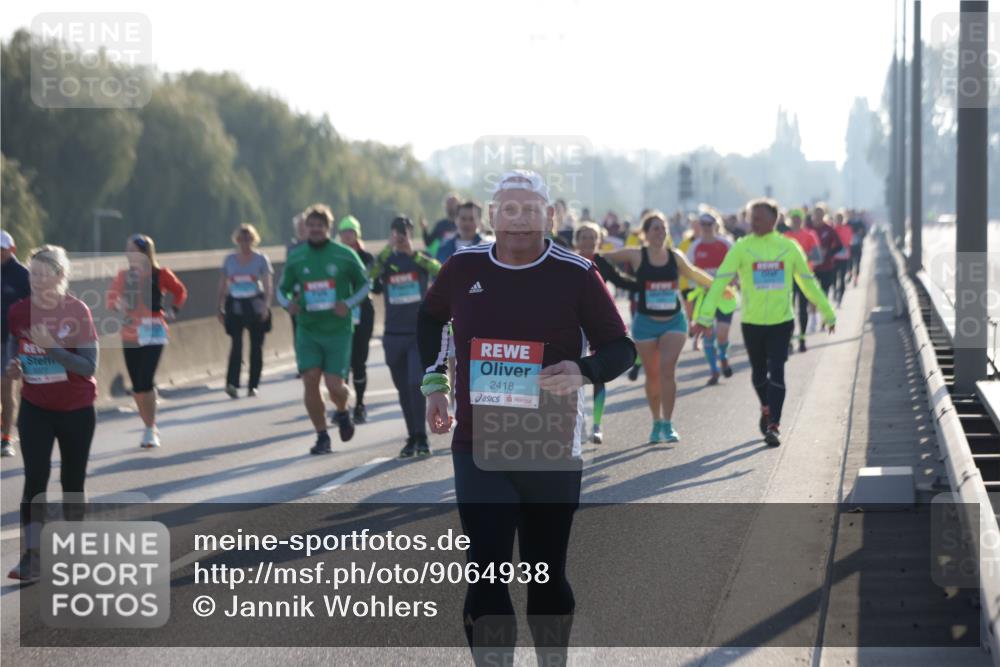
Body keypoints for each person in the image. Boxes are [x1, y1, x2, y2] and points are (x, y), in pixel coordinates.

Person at [418, 170, 635, 665]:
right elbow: (431, 318)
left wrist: (582, 370)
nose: (519, 220)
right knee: (486, 574)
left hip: (549, 445)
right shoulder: (462, 266)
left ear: (549, 216)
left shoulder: (576, 273)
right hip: (479, 445)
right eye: (509, 210)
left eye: (530, 210)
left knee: (546, 575)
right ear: (492, 216)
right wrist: (435, 384)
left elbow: (621, 349)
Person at [692, 198, 836, 447]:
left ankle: (774, 426)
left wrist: (827, 312)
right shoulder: (742, 248)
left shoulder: (788, 247)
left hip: (782, 322)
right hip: (752, 323)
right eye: (752, 218)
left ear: (774, 219)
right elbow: (719, 282)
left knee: (777, 370)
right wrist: (704, 317)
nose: (754, 222)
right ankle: (766, 407)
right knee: (759, 375)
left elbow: (807, 282)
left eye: (758, 218)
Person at [6, 246, 99, 581]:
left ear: (60, 276)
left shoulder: (77, 311)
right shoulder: (19, 311)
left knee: (72, 483)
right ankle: (32, 558)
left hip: (76, 409)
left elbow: (88, 366)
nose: (36, 280)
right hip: (35, 408)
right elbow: (13, 346)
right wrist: (13, 366)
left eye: (44, 274)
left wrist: (52, 349)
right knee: (35, 479)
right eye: (33, 273)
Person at [598, 210, 722, 444]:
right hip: (645, 323)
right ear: (645, 233)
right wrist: (602, 267)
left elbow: (693, 273)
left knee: (667, 370)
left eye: (663, 228)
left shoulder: (675, 256)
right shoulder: (636, 254)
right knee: (653, 375)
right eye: (656, 228)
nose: (661, 232)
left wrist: (718, 286)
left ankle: (668, 422)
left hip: (674, 321)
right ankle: (656, 422)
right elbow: (604, 257)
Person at [280, 204, 369, 455]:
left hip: (337, 331)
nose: (315, 229)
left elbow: (365, 284)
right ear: (305, 228)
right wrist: (289, 304)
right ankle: (322, 436)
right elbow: (282, 289)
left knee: (334, 386)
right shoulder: (297, 257)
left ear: (328, 228)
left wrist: (348, 303)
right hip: (308, 329)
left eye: (320, 225)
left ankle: (342, 410)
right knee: (310, 380)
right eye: (311, 225)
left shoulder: (344, 254)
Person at [107, 234, 188, 447]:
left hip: (154, 331)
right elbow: (110, 299)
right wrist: (118, 304)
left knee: (146, 380)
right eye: (127, 250)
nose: (128, 254)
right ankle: (148, 425)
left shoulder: (160, 274)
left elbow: (180, 292)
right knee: (137, 387)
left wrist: (174, 309)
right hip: (130, 334)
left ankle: (150, 429)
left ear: (144, 253)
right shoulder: (123, 276)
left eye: (132, 250)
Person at [371, 216, 441, 458]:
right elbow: (368, 276)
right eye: (396, 231)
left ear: (411, 233)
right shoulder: (386, 260)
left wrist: (413, 254)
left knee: (415, 384)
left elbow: (439, 271)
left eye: (405, 231)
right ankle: (412, 436)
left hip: (417, 333)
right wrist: (387, 250)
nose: (401, 236)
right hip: (393, 334)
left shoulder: (420, 258)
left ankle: (422, 436)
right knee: (402, 389)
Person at [575, 221, 641, 444]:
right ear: (577, 240)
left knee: (597, 374)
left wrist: (645, 284)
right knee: (574, 372)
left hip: (598, 324)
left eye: (592, 237)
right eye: (584, 237)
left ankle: (596, 424)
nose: (588, 241)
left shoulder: (601, 262)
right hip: (574, 325)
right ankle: (578, 421)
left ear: (599, 241)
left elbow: (621, 280)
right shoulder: (569, 262)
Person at [217, 224, 273, 399]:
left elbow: (268, 284)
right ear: (237, 240)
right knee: (236, 345)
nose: (245, 242)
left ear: (254, 240)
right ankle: (232, 384)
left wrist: (266, 306)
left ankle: (253, 385)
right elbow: (223, 283)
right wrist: (220, 305)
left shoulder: (261, 259)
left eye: (248, 238)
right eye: (241, 239)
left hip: (255, 304)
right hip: (235, 304)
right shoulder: (229, 260)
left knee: (256, 346)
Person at [686, 209, 735, 384]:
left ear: (716, 225)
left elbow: (736, 265)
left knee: (722, 334)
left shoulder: (726, 244)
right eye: (703, 224)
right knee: (708, 334)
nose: (706, 227)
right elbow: (689, 271)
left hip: (724, 296)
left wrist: (735, 281)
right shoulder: (694, 247)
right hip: (705, 297)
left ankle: (723, 356)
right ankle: (714, 371)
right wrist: (694, 288)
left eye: (709, 224)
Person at [337, 215, 375, 424]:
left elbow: (374, 284)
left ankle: (360, 404)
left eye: (351, 232)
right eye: (344, 232)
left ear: (357, 234)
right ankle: (342, 406)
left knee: (359, 361)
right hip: (341, 313)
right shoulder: (335, 256)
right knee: (341, 362)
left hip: (363, 312)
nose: (347, 236)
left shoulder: (366, 257)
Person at [1, 231, 30, 458]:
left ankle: (6, 439)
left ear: (12, 249)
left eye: (2, 249)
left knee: (5, 389)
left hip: (10, 341)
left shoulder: (23, 275)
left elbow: (33, 307)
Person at [783, 209, 822, 352]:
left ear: (802, 220)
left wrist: (800, 256)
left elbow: (817, 256)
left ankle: (802, 339)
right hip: (788, 277)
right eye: (794, 219)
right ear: (790, 220)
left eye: (798, 219)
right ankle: (788, 340)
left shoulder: (810, 235)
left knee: (803, 309)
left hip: (805, 276)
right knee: (789, 310)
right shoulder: (785, 236)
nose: (796, 221)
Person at [808, 203, 843, 314]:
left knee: (824, 293)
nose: (818, 216)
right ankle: (813, 316)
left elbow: (839, 245)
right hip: (811, 267)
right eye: (816, 214)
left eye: (820, 214)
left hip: (826, 266)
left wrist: (828, 252)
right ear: (813, 215)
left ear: (824, 215)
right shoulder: (808, 229)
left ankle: (824, 315)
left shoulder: (829, 229)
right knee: (812, 293)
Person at [277, 213, 307, 342]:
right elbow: (288, 271)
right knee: (297, 329)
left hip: (314, 292)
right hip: (296, 293)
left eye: (304, 226)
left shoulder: (317, 246)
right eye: (299, 227)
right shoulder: (291, 248)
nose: (301, 229)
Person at [421, 193, 461, 258]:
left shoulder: (463, 225)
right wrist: (424, 229)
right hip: (443, 259)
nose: (450, 206)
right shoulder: (440, 225)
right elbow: (428, 243)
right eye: (448, 203)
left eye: (453, 203)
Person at [833, 210, 853, 306]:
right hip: (834, 257)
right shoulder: (833, 229)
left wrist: (841, 243)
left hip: (844, 256)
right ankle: (834, 292)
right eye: (838, 218)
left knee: (842, 277)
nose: (839, 220)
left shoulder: (847, 229)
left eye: (841, 218)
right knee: (833, 277)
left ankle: (840, 296)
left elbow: (848, 241)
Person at [848, 211, 867, 287]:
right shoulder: (847, 223)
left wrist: (861, 233)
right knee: (850, 263)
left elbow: (864, 233)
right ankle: (850, 274)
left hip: (858, 246)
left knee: (857, 263)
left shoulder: (860, 223)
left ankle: (856, 278)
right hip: (849, 246)